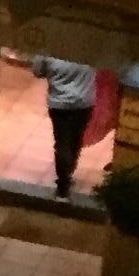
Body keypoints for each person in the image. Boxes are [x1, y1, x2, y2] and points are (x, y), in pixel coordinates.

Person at [31, 56, 101, 196]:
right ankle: (68, 172)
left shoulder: (50, 49)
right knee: (76, 140)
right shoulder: (90, 48)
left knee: (62, 143)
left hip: (59, 105)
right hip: (84, 104)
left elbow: (38, 71)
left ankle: (63, 183)